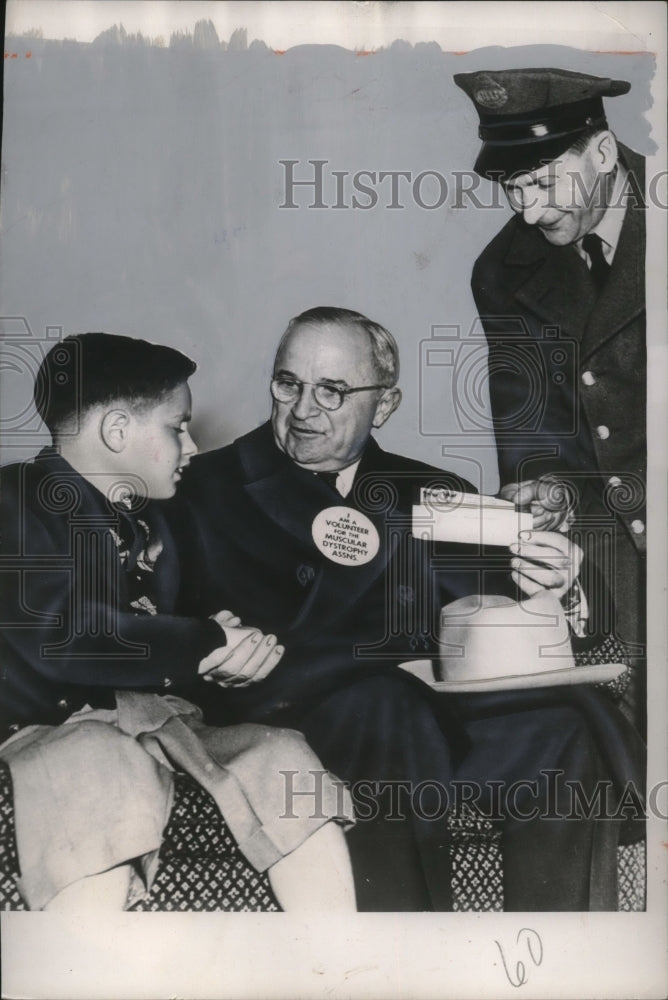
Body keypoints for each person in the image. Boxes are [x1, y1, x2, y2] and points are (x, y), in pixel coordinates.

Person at [177, 305, 645, 912]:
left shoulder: (430, 491)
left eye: (333, 390)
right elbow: (152, 613)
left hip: (431, 723)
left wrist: (559, 586)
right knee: (386, 706)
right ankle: (407, 969)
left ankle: (556, 967)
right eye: (288, 383)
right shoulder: (201, 485)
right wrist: (206, 644)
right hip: (293, 713)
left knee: (562, 736)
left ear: (386, 406)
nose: (303, 409)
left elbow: (507, 615)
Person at [0, 332, 355, 912]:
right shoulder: (15, 499)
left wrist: (217, 660)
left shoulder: (156, 520)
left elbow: (166, 637)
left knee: (283, 756)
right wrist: (203, 640)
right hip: (51, 727)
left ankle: (337, 967)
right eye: (176, 427)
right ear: (116, 432)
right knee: (99, 765)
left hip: (156, 719)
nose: (191, 446)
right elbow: (63, 635)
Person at [453, 67, 646, 732]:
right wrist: (552, 491)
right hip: (606, 537)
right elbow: (532, 433)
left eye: (542, 182)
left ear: (602, 152)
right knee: (591, 725)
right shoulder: (503, 272)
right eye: (514, 188)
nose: (530, 211)